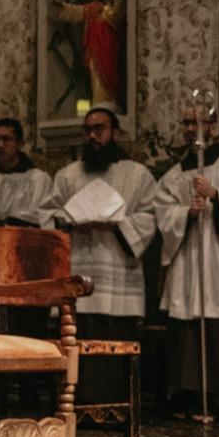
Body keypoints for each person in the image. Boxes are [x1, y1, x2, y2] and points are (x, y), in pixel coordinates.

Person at [150, 101, 219, 419]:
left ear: (213, 126)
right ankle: (189, 396)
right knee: (187, 326)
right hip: (187, 258)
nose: (191, 129)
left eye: (198, 122)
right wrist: (186, 213)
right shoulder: (173, 175)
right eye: (186, 123)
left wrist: (216, 195)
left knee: (218, 323)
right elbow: (163, 215)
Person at [44, 105, 157, 342]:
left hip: (119, 290)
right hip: (76, 278)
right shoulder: (68, 175)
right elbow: (47, 215)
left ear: (115, 133)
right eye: (87, 131)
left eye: (99, 129)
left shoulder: (137, 175)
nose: (92, 136)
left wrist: (118, 224)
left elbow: (149, 216)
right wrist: (70, 224)